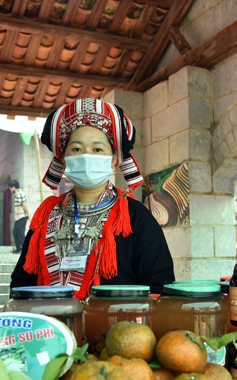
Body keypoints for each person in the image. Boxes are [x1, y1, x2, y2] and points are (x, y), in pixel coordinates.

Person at [10, 98, 175, 298]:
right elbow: (21, 283)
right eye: (77, 149)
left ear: (114, 159)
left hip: (116, 327)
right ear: (64, 158)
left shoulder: (135, 216)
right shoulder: (45, 216)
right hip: (51, 328)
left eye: (97, 149)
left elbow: (160, 286)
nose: (86, 156)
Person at [9, 180, 29, 254]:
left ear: (14, 187)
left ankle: (25, 250)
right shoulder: (17, 194)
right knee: (15, 232)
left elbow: (24, 205)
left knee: (21, 233)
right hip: (18, 218)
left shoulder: (20, 193)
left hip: (22, 217)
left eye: (11, 188)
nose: (11, 190)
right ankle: (18, 248)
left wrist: (29, 215)